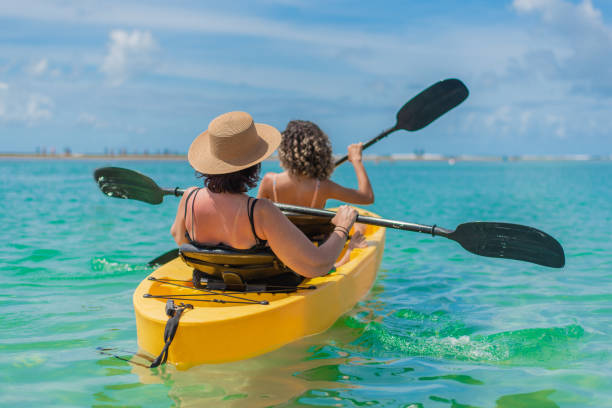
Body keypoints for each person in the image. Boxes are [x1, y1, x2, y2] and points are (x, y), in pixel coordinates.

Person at [170, 111, 359, 279]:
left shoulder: (189, 197)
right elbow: (317, 265)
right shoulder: (261, 211)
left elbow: (179, 238)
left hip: (210, 283)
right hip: (264, 289)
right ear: (254, 165)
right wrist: (342, 227)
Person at [257, 120, 374, 266]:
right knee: (359, 226)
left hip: (281, 248)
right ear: (320, 152)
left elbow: (257, 223)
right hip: (311, 248)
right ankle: (348, 253)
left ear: (284, 151)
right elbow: (367, 197)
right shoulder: (322, 186)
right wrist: (357, 160)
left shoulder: (269, 181)